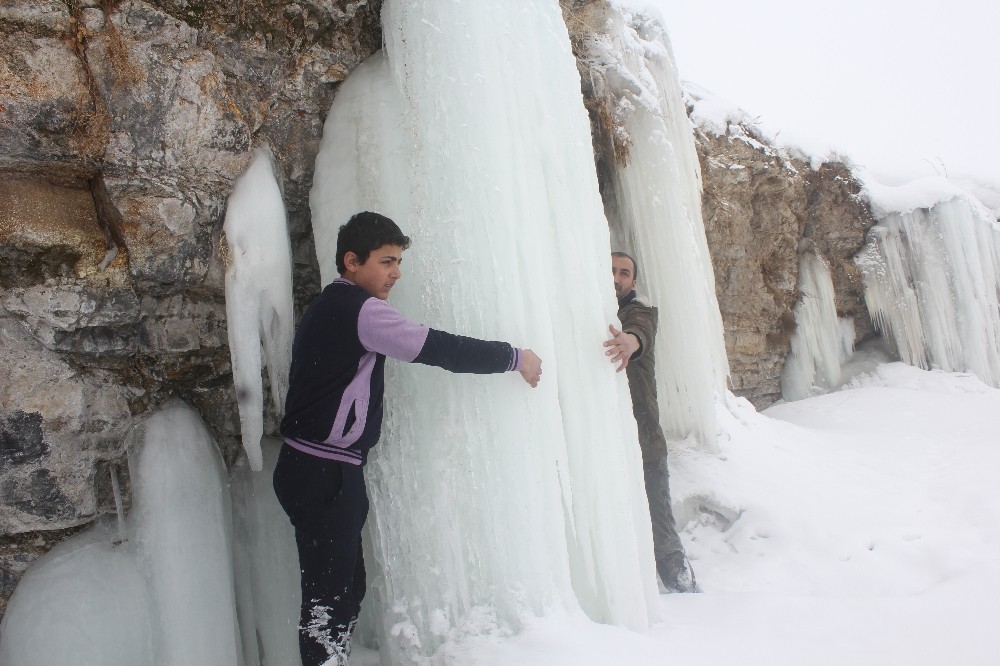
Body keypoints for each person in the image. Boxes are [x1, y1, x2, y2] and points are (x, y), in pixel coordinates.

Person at [273, 211, 542, 666]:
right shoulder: (358, 310)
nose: (396, 273)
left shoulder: (330, 305)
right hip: (322, 471)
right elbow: (436, 347)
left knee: (345, 589)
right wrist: (513, 357)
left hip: (321, 468)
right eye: (386, 261)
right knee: (328, 601)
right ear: (352, 261)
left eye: (398, 261)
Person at [603, 251, 697, 593]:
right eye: (611, 270)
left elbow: (640, 331)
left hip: (645, 443)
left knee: (661, 529)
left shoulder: (639, 311)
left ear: (633, 282)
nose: (616, 278)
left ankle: (686, 592)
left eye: (624, 273)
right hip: (607, 445)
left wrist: (630, 342)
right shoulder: (591, 312)